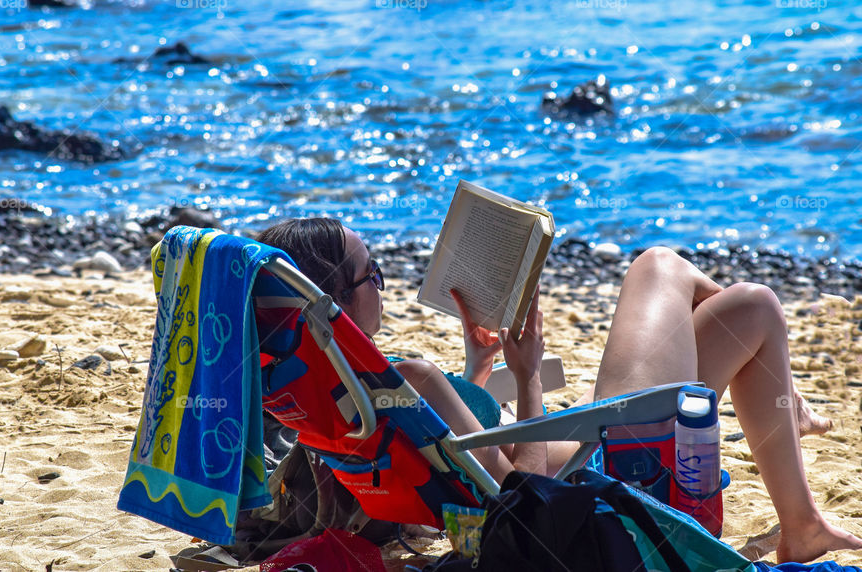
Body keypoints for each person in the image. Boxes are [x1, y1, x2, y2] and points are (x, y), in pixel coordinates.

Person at [256, 217, 861, 564]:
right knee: (732, 296)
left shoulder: (331, 395)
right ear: (339, 300)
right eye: (374, 275)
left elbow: (437, 458)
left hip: (567, 478)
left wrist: (477, 365)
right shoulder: (411, 379)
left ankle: (782, 410)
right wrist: (525, 374)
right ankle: (801, 515)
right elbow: (522, 494)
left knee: (706, 293)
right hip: (607, 495)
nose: (383, 287)